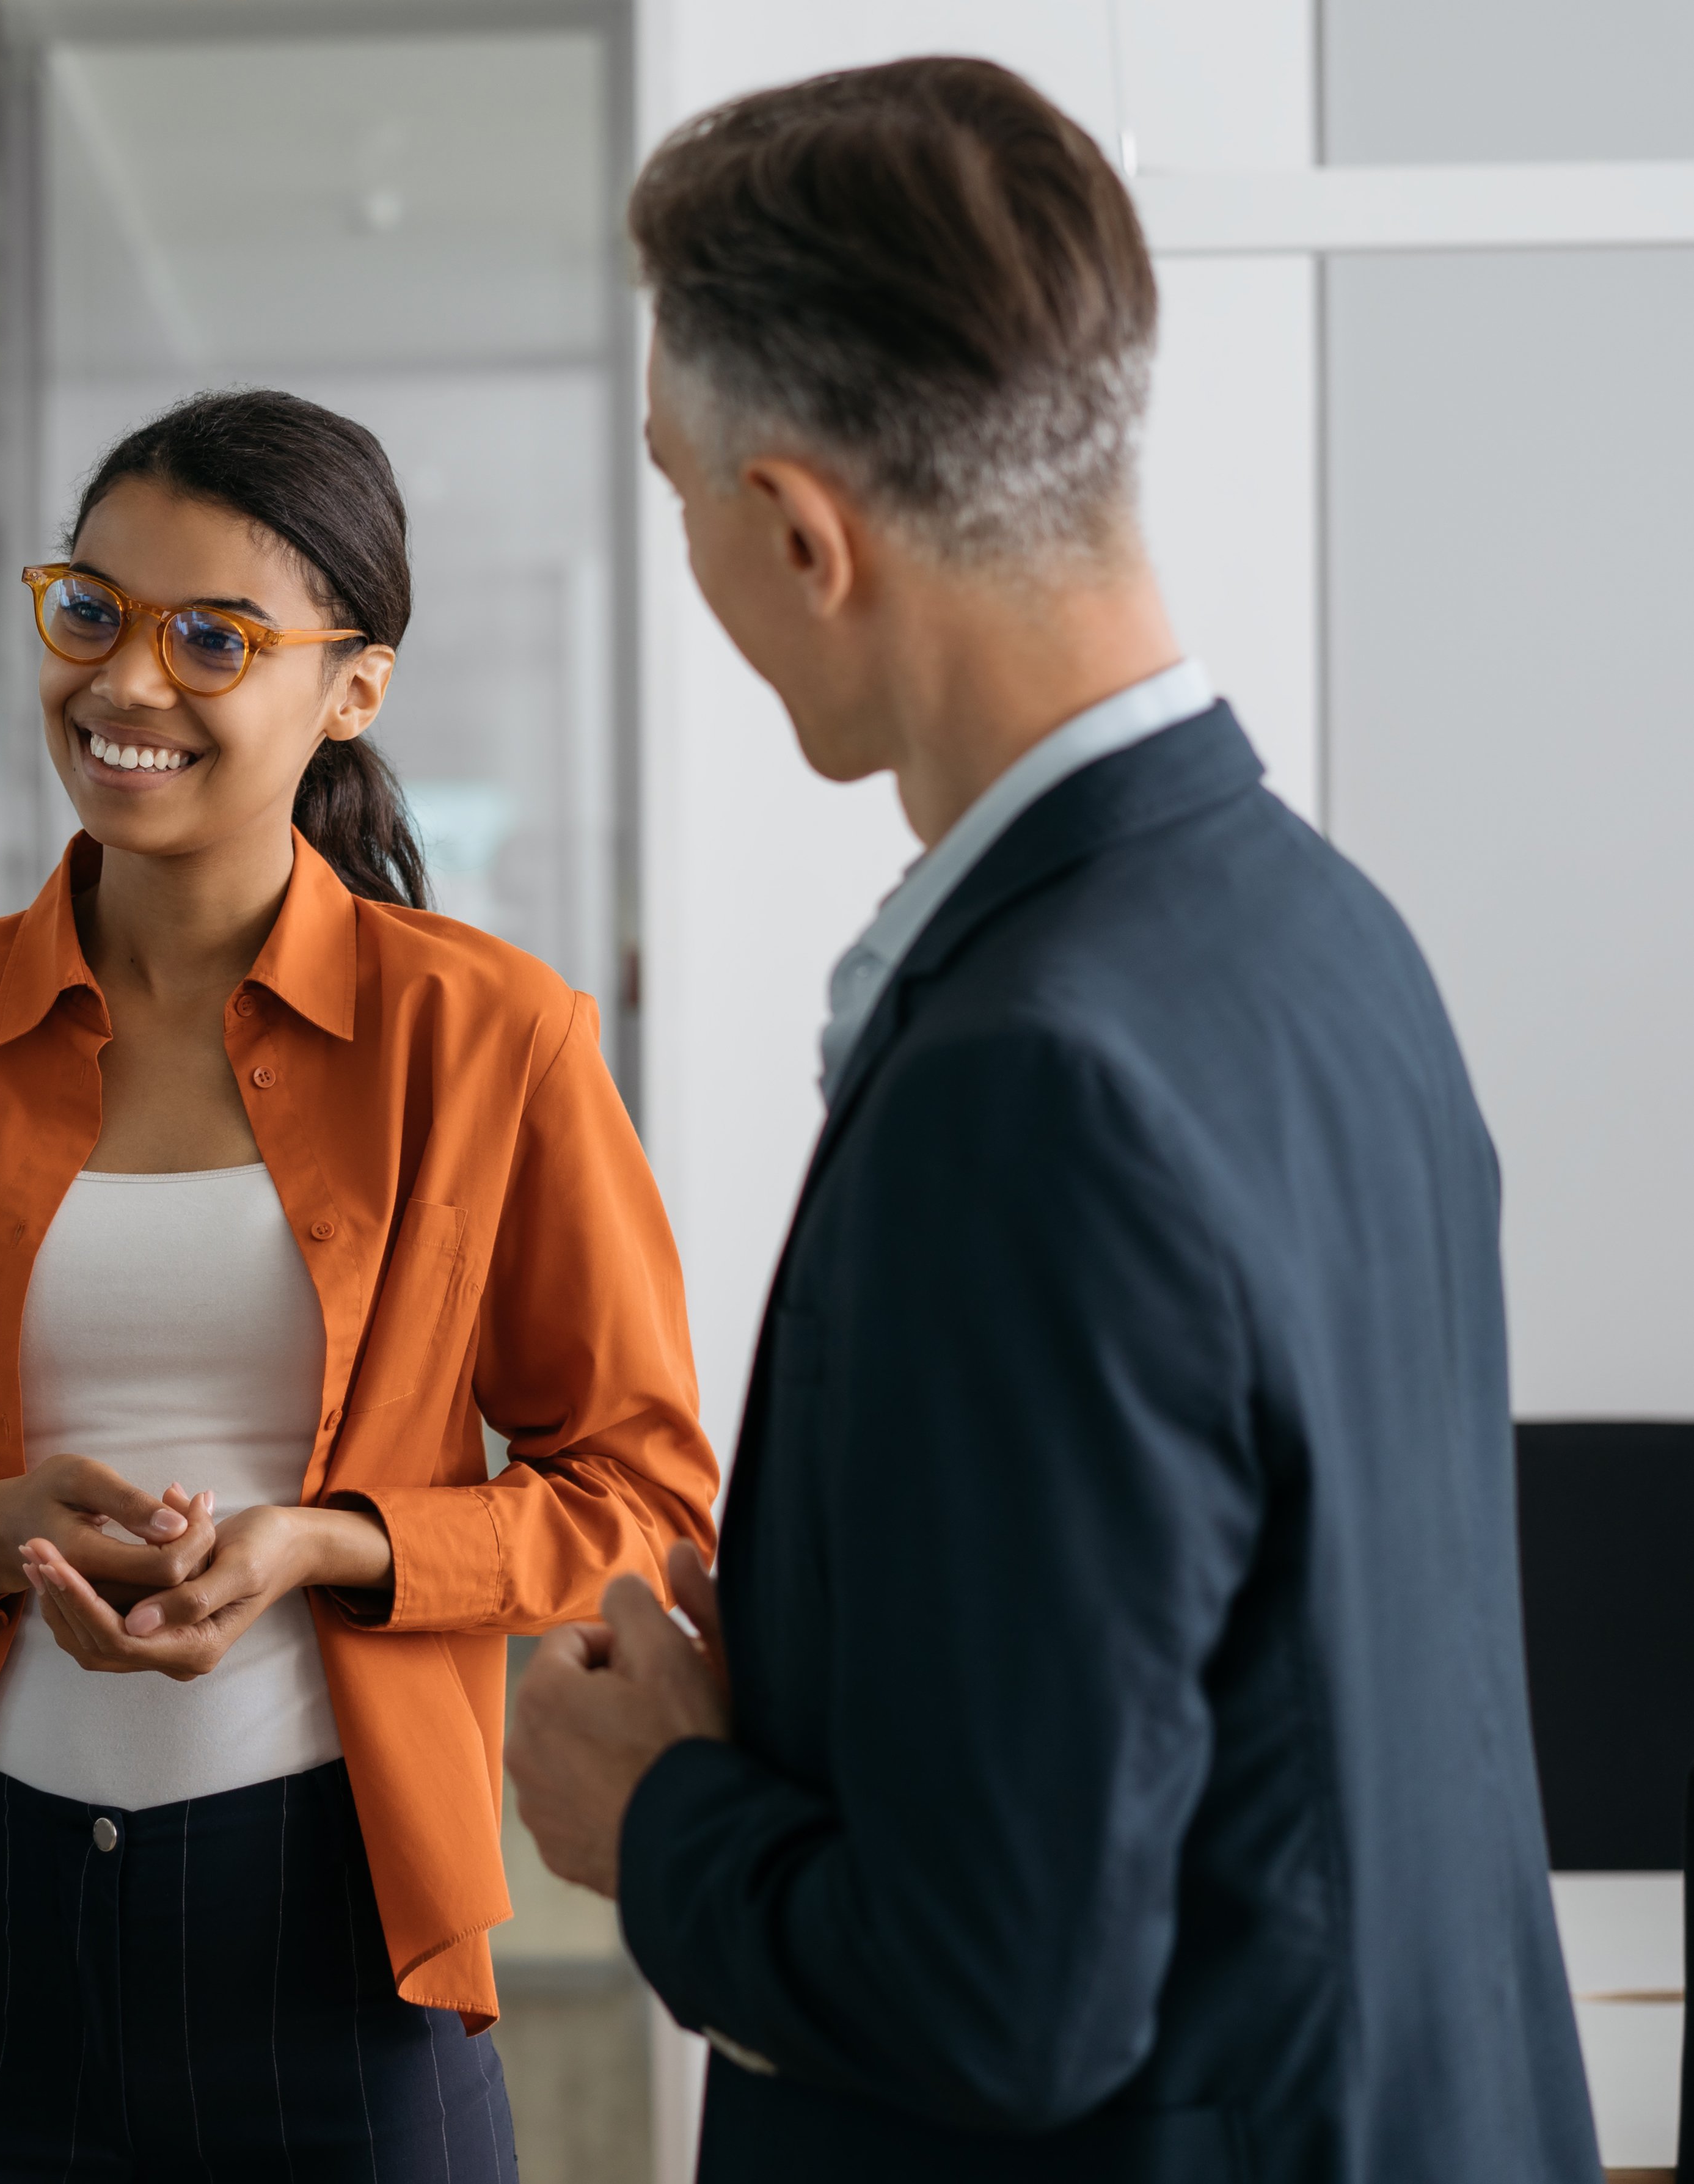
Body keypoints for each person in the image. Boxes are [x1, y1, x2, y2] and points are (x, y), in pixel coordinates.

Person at [502, 57, 1598, 2184]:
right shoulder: (1317, 930)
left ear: (801, 534)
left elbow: (1000, 1996)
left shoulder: (1033, 1079)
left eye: (677, 485)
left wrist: (648, 1813)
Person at [0, 387, 719, 2179]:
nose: (126, 686)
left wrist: (327, 1544)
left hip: (335, 1933)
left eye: (213, 640)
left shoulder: (489, 1040)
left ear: (353, 687)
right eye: (90, 611)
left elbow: (638, 1500)